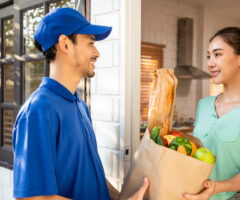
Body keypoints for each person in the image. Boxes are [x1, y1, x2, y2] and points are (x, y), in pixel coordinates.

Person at [12, 7, 148, 200]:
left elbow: (92, 174)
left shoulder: (80, 106)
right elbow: (33, 198)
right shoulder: (39, 110)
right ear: (65, 44)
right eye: (91, 43)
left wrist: (120, 198)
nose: (97, 52)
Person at [183, 27, 240, 200]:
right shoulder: (204, 104)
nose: (210, 63)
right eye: (208, 56)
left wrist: (215, 188)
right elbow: (198, 154)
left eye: (217, 54)